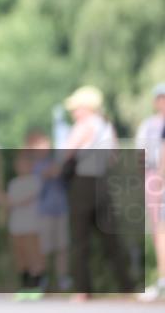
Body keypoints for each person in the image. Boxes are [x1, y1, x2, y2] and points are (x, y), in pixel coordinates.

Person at [52, 85, 135, 301]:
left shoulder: (84, 125)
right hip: (103, 182)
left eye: (76, 108)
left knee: (79, 239)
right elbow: (114, 156)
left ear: (87, 107)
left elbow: (66, 152)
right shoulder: (107, 126)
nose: (74, 112)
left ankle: (83, 289)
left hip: (83, 183)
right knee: (111, 238)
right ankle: (126, 286)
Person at [0, 149, 45, 300]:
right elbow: (9, 205)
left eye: (25, 163)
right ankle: (24, 287)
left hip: (31, 227)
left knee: (34, 257)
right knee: (21, 259)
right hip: (16, 227)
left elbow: (20, 201)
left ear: (32, 165)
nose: (22, 166)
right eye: (19, 163)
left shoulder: (35, 181)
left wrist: (0, 198)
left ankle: (36, 287)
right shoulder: (13, 183)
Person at [25, 130, 71, 292]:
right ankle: (42, 279)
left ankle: (62, 278)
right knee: (44, 248)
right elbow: (48, 174)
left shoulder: (54, 161)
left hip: (61, 209)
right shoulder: (33, 166)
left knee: (62, 247)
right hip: (43, 211)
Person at [135, 82, 165, 302]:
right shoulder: (149, 125)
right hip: (153, 175)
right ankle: (162, 280)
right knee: (159, 230)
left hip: (159, 175)